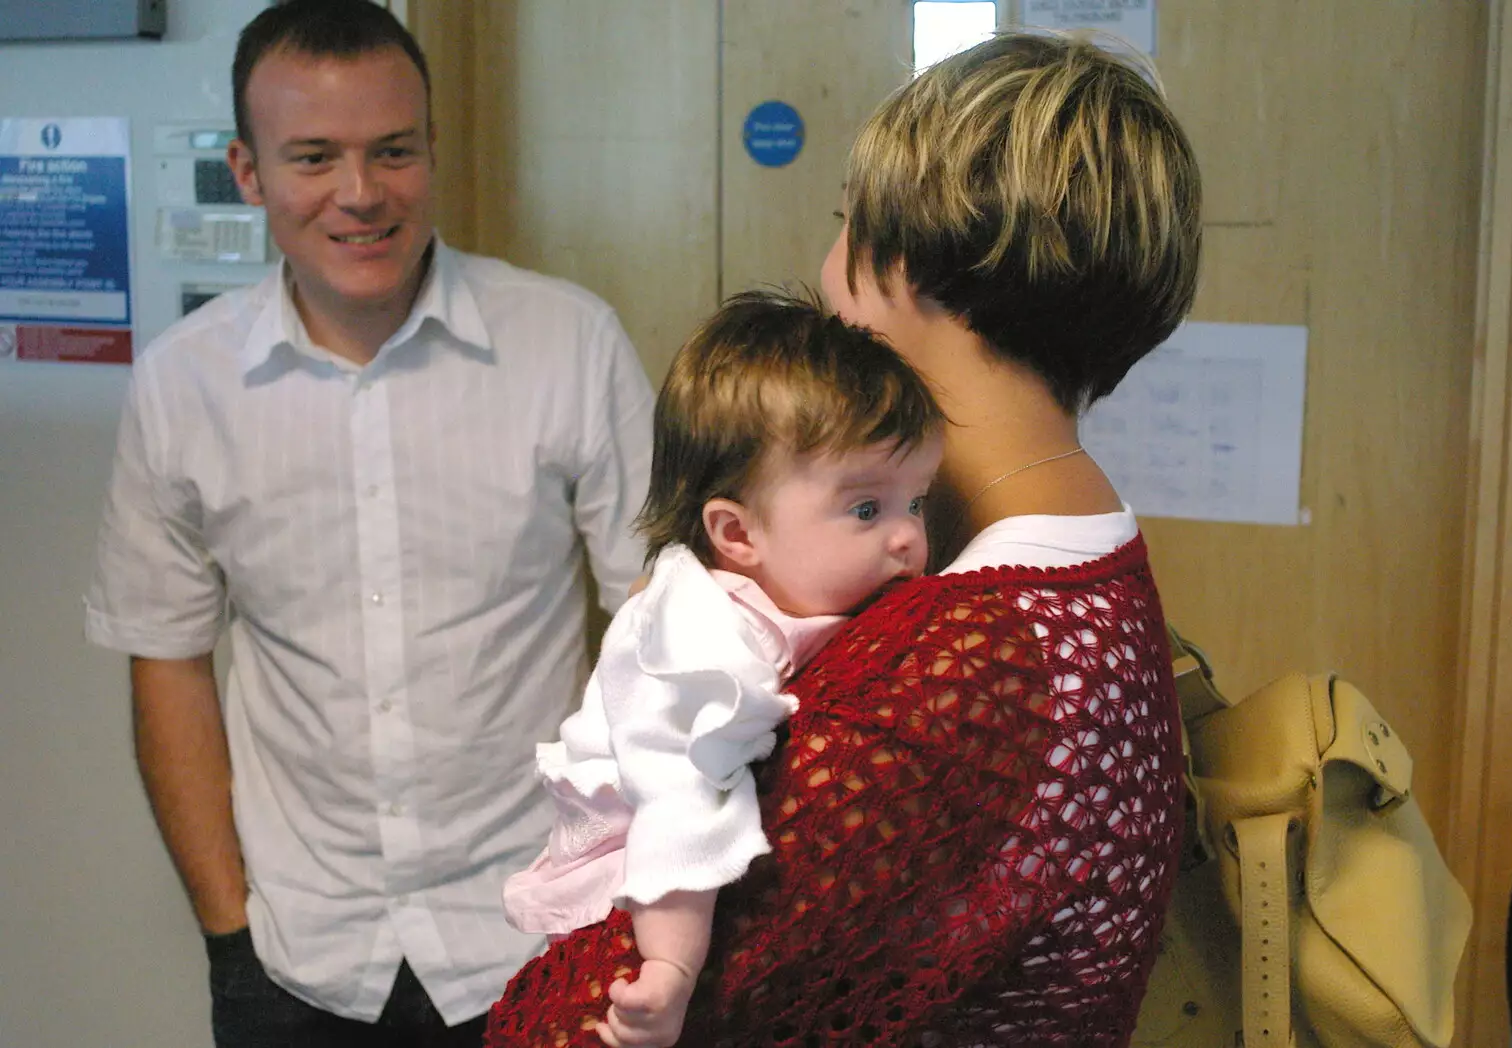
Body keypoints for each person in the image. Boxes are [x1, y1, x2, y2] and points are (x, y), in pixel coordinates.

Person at [486, 29, 1202, 1048]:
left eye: (844, 228)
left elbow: (579, 1020)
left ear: (913, 261)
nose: (826, 278)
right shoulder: (1092, 564)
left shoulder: (958, 661)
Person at [82, 1, 655, 1045]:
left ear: (431, 151)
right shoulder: (182, 386)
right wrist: (227, 934)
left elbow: (656, 625)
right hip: (298, 956)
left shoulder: (569, 343)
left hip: (534, 936)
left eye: (392, 151)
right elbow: (164, 657)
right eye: (312, 157)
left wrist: (638, 893)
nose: (360, 194)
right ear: (248, 174)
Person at [500, 290, 944, 1048]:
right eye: (868, 509)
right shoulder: (700, 640)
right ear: (736, 533)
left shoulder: (797, 588)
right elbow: (679, 797)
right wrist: (669, 969)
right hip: (636, 884)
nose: (907, 537)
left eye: (918, 502)